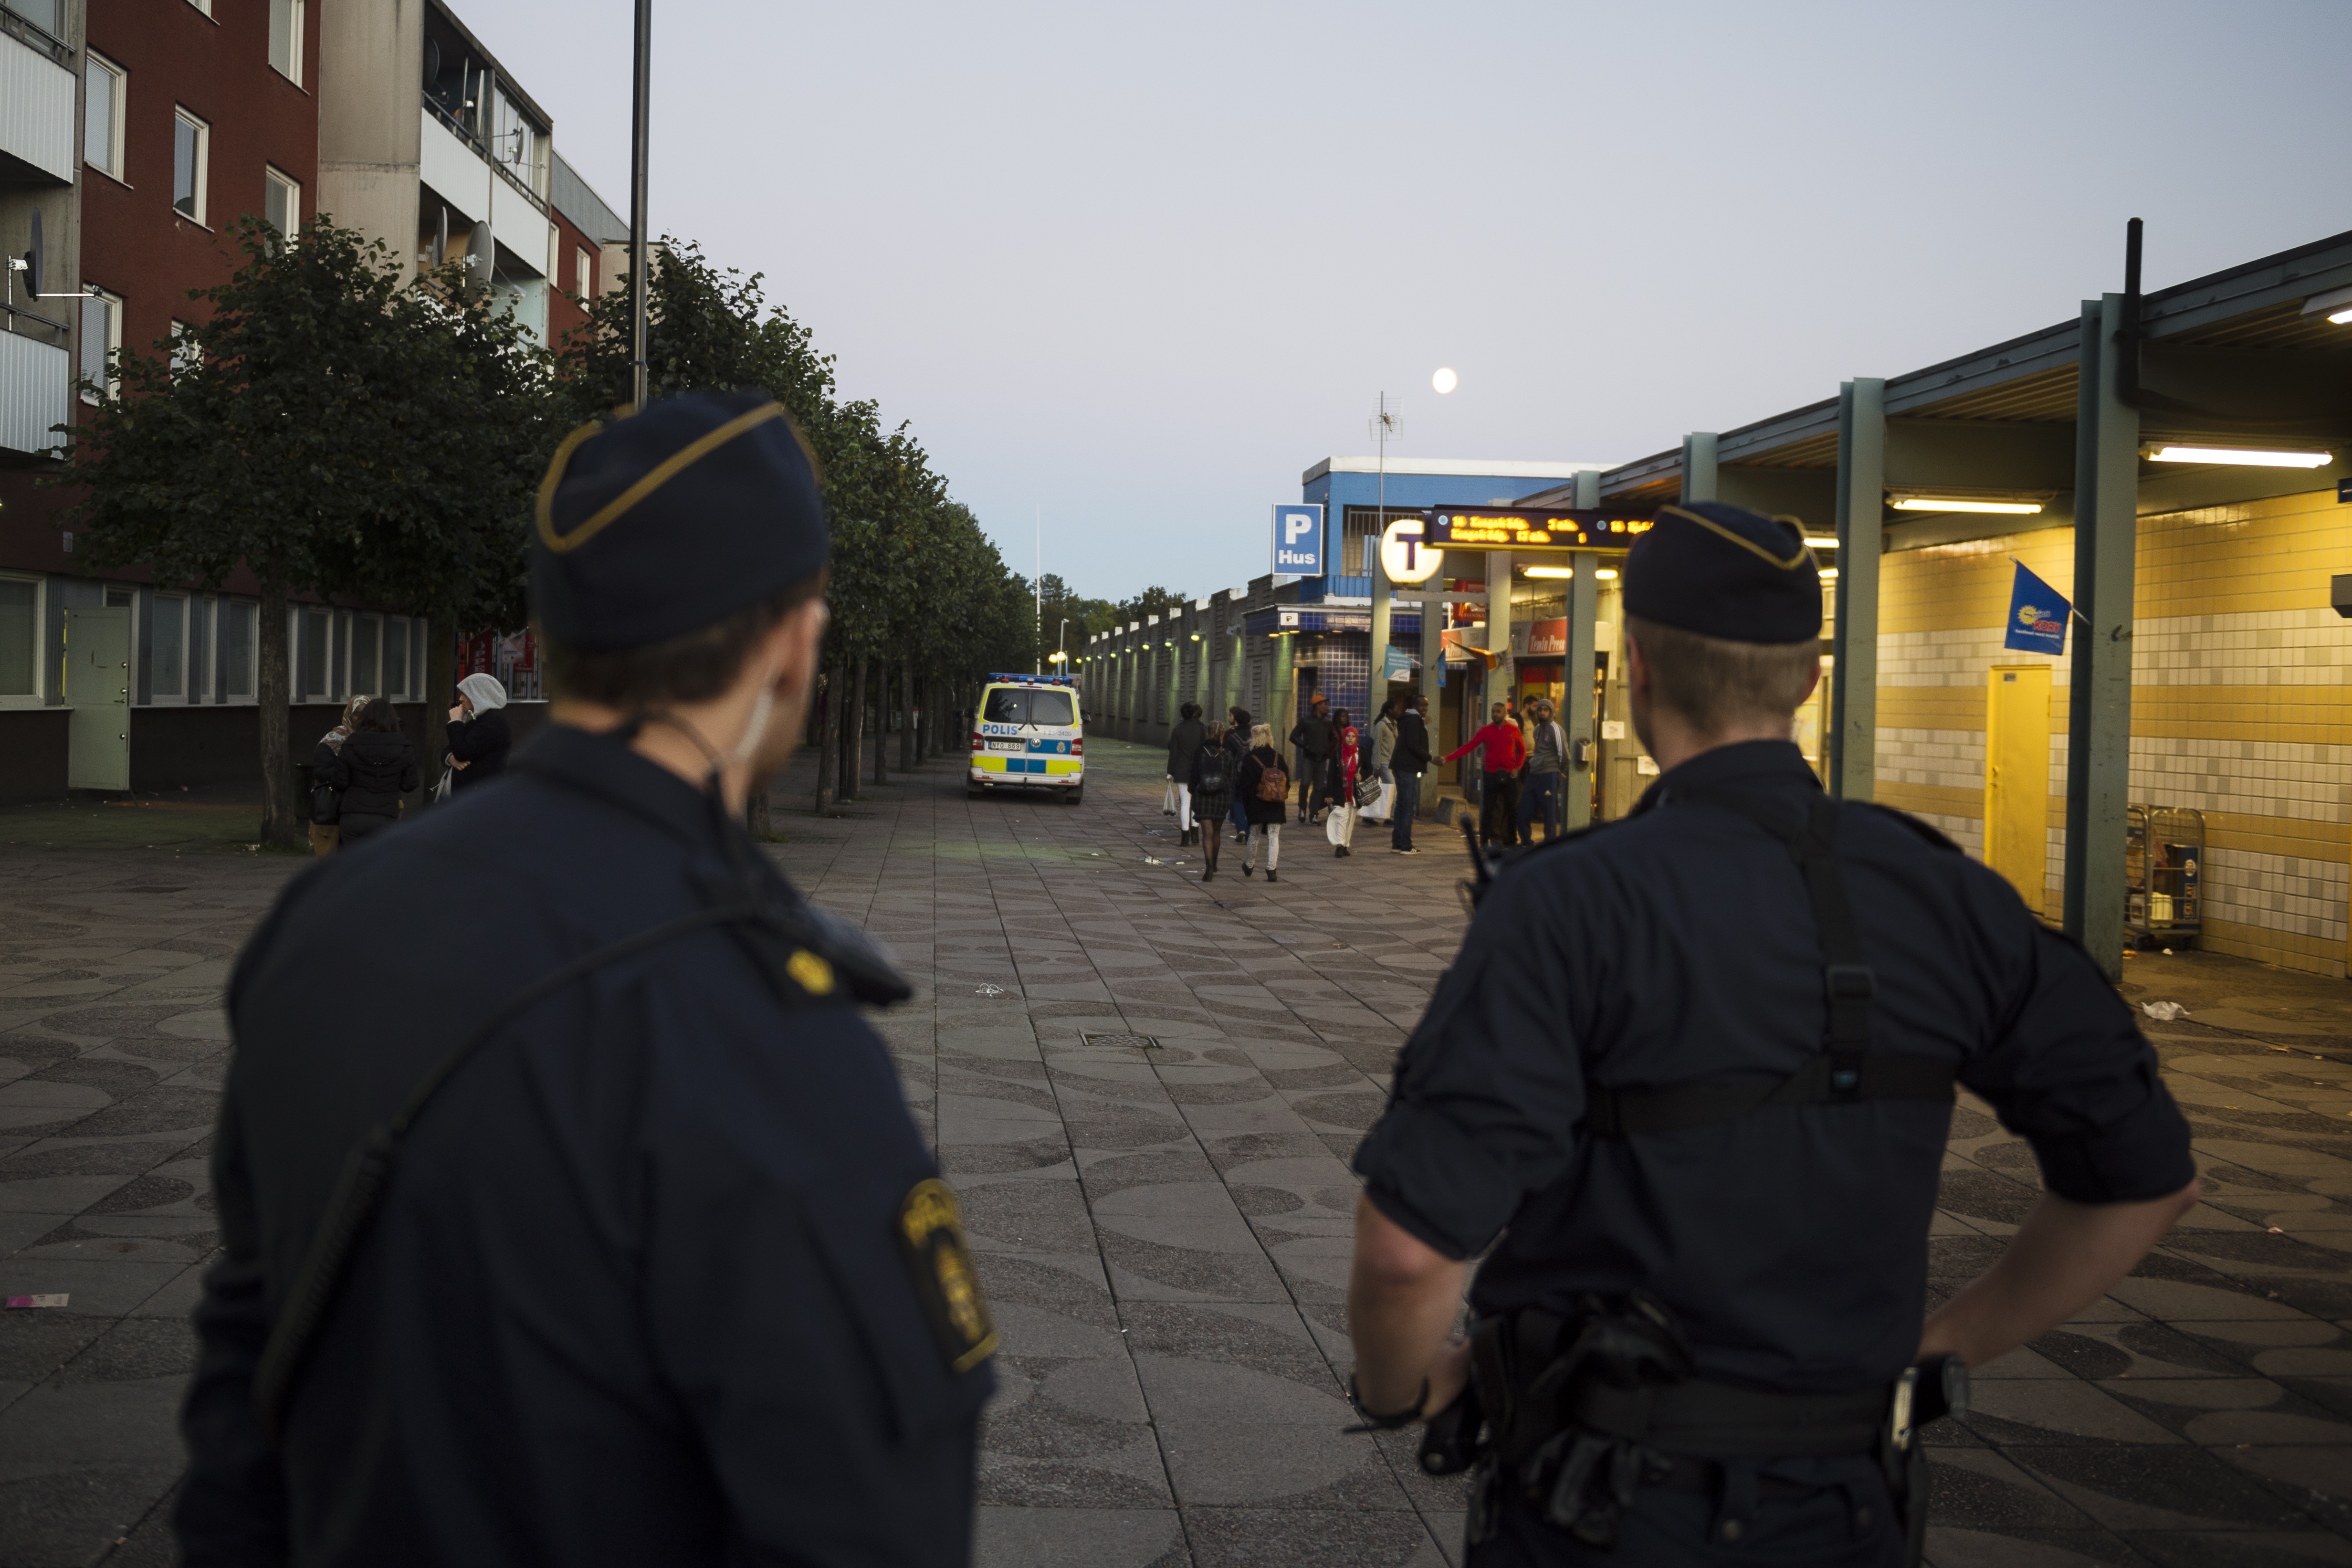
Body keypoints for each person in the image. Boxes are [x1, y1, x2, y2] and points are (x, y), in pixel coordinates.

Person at [178, 390, 990, 1566]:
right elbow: (875, 1521)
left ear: (556, 644)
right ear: (792, 645)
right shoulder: (772, 1035)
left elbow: (238, 1421)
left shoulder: (321, 924)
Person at [1343, 501, 2199, 1568]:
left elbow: (1403, 1250)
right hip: (1850, 1512)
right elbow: (2145, 1177)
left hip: (1597, 1512)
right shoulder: (1945, 894)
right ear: (1805, 680)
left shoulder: (1564, 902)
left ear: (1639, 668)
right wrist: (1936, 1349)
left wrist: (1402, 1390)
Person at [321, 697, 420, 846]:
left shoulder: (350, 744)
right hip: (387, 815)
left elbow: (340, 782)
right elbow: (410, 784)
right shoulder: (404, 746)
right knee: (380, 866)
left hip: (353, 815)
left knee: (353, 865)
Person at [1446, 701, 1527, 848]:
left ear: (1505, 714)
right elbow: (1469, 746)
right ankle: (1485, 841)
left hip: (1510, 775)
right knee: (1488, 808)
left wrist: (1518, 768)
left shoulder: (1513, 730)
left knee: (1512, 808)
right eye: (1493, 712)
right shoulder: (1486, 730)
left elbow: (1522, 750)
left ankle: (1511, 841)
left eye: (1498, 712)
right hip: (1491, 774)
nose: (1495, 714)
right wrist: (1447, 759)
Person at [305, 694, 373, 858]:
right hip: (336, 812)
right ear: (349, 715)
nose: (362, 719)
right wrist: (347, 772)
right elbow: (320, 771)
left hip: (366, 812)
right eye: (358, 714)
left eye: (367, 715)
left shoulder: (376, 741)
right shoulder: (332, 741)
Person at [444, 671, 512, 793]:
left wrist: (456, 721)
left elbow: (462, 752)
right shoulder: (478, 718)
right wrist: (450, 758)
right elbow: (451, 748)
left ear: (479, 695)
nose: (461, 699)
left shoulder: (492, 722)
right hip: (472, 792)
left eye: (465, 694)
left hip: (480, 793)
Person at [1235, 723, 1287, 882]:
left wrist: (1247, 804)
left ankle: (1249, 864)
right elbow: (1287, 782)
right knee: (1274, 836)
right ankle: (1272, 870)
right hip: (1276, 802)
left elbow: (1245, 786)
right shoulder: (1279, 758)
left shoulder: (1250, 760)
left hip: (1257, 803)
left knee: (1255, 835)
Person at [1189, 720, 1234, 881]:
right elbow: (1231, 778)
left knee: (1207, 833)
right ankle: (1215, 863)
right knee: (1217, 832)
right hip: (1221, 798)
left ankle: (1208, 867)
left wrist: (1192, 792)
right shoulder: (1227, 754)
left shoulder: (1199, 752)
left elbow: (1193, 776)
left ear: (1208, 733)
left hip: (1203, 796)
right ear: (1223, 735)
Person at [1520, 699, 1568, 843]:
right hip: (1534, 773)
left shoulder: (1556, 729)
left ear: (1551, 712)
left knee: (1549, 811)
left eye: (1546, 710)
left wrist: (1559, 770)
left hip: (1549, 775)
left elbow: (1564, 755)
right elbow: (1538, 751)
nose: (1542, 712)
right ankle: (1526, 842)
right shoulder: (1537, 730)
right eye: (1540, 710)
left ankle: (1550, 844)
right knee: (1524, 809)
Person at [1391, 695, 1430, 854]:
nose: (1424, 708)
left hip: (1401, 767)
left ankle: (1397, 843)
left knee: (1401, 805)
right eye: (1421, 705)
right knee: (1408, 806)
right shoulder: (1414, 720)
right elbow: (1414, 745)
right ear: (1414, 705)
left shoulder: (1408, 719)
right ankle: (1406, 845)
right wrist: (1431, 758)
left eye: (1426, 705)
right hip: (1407, 768)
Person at [1289, 694, 1334, 824]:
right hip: (1308, 759)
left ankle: (1314, 814)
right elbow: (1293, 736)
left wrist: (1327, 748)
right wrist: (1305, 746)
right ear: (1318, 706)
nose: (1327, 707)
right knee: (1305, 783)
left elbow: (1334, 739)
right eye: (1325, 704)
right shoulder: (1306, 721)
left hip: (1322, 759)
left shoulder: (1328, 723)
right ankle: (1302, 808)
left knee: (1319, 787)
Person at [1167, 701, 1206, 846]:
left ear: (1182, 714)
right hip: (1198, 770)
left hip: (1182, 770)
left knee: (1185, 803)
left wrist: (1170, 772)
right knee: (1196, 803)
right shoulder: (1202, 730)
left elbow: (1174, 754)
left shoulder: (1177, 730)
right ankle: (1195, 834)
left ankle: (1185, 836)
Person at [1330, 716, 1362, 859]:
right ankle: (1339, 846)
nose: (1350, 739)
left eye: (1353, 736)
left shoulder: (1360, 754)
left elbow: (1369, 769)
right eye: (1348, 736)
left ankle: (1346, 845)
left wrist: (1362, 776)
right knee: (1341, 818)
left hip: (1354, 793)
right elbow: (1330, 774)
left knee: (1350, 820)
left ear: (1357, 738)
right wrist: (1330, 794)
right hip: (1340, 792)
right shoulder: (1337, 753)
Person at [1369, 698, 1399, 825]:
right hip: (1384, 764)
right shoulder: (1381, 726)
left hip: (1392, 763)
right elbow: (1377, 747)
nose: (1398, 711)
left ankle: (1369, 816)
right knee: (1394, 790)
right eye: (1396, 709)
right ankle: (1390, 818)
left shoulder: (1394, 725)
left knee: (1381, 791)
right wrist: (1377, 767)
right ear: (1389, 710)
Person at [1225, 706, 1253, 841]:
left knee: (1237, 800)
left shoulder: (1232, 738)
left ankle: (1241, 827)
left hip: (1237, 775)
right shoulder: (1255, 737)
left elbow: (1228, 759)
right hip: (1254, 775)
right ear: (1250, 721)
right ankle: (1249, 831)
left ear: (1237, 721)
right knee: (1251, 802)